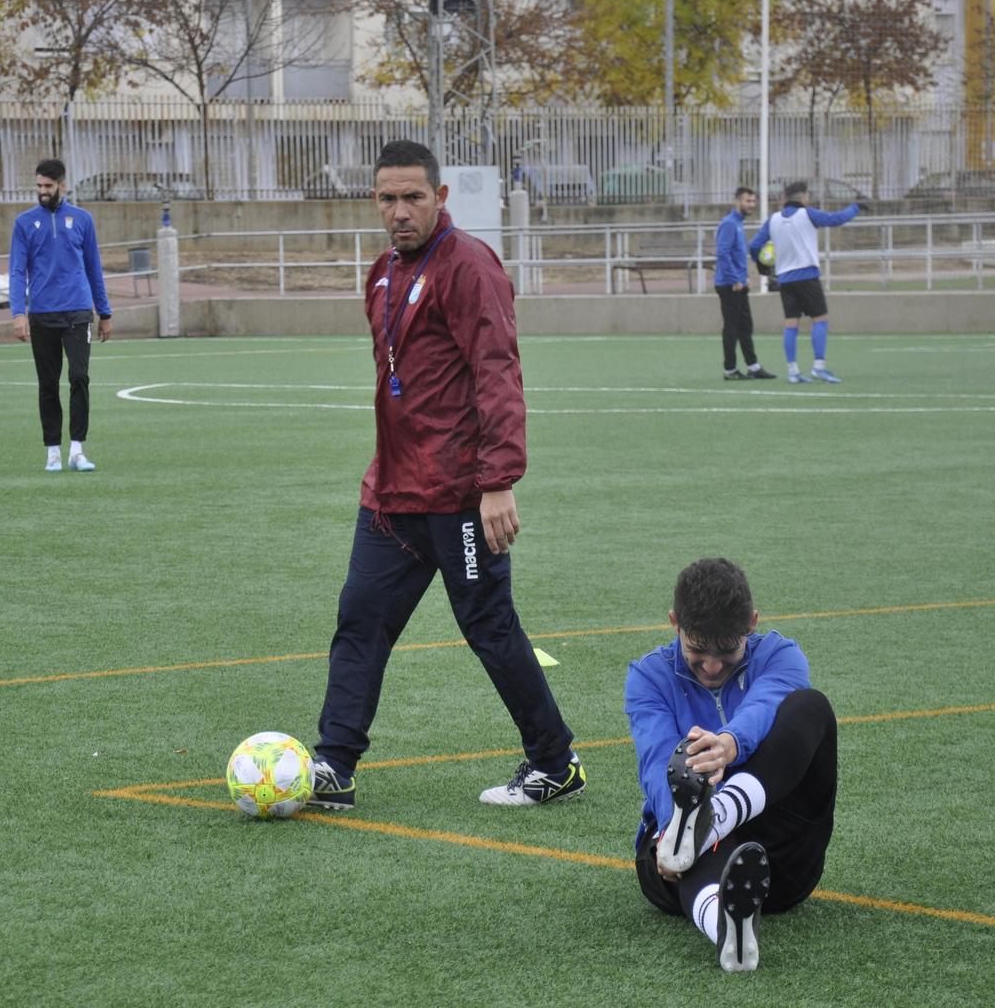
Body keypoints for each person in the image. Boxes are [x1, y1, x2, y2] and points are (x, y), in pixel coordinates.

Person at [308, 139, 583, 810]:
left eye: (413, 197)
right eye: (386, 199)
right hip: (392, 493)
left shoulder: (471, 268)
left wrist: (497, 481)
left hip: (459, 494)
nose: (399, 211)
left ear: (440, 197)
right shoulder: (381, 273)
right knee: (359, 619)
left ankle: (554, 762)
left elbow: (498, 375)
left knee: (488, 626)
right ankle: (334, 766)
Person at [625, 557, 837, 972]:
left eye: (727, 651)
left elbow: (764, 705)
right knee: (677, 825)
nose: (712, 666)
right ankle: (726, 927)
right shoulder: (649, 677)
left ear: (752, 623)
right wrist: (671, 827)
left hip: (781, 854)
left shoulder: (781, 655)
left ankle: (713, 818)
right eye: (697, 650)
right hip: (677, 869)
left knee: (811, 707)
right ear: (674, 623)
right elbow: (656, 765)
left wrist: (728, 745)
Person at [9, 158, 113, 472]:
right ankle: (53, 450)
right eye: (39, 186)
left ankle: (77, 450)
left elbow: (94, 267)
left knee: (79, 377)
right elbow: (16, 271)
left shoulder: (82, 219)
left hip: (78, 311)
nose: (42, 191)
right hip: (42, 314)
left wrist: (104, 312)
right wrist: (18, 312)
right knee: (48, 384)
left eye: (48, 186)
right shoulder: (24, 223)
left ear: (62, 185)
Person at [748, 182, 859, 384]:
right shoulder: (808, 214)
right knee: (820, 319)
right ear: (803, 198)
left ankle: (793, 371)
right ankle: (819, 367)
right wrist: (855, 207)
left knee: (791, 323)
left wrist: (761, 264)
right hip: (806, 275)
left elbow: (754, 245)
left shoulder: (773, 220)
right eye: (807, 195)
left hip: (785, 279)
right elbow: (836, 219)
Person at [713, 187, 775, 381]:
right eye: (748, 201)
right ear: (737, 201)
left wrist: (745, 276)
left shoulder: (738, 224)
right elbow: (723, 253)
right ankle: (730, 370)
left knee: (745, 326)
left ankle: (753, 366)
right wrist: (735, 279)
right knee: (731, 328)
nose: (751, 205)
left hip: (739, 282)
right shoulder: (729, 224)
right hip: (729, 285)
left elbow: (736, 254)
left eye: (753, 201)